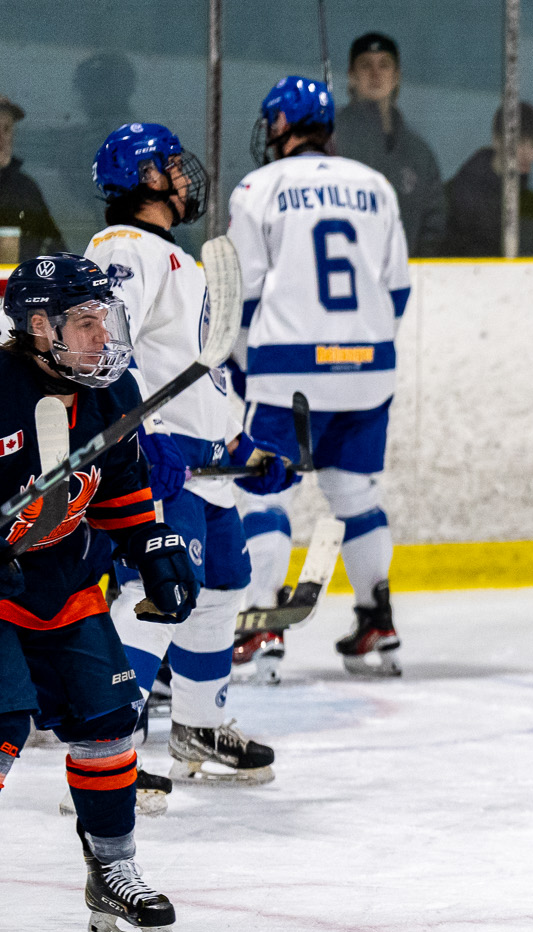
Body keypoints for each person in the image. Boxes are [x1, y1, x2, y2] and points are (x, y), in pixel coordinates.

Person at [0, 254, 197, 932]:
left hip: (63, 583)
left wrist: (151, 540)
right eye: (86, 323)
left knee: (111, 720)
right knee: (2, 722)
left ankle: (112, 873)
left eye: (103, 320)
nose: (102, 336)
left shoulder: (111, 392)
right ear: (37, 326)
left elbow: (117, 487)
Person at [88, 122, 277, 794]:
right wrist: (141, 435)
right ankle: (106, 746)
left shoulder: (178, 258)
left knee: (222, 585)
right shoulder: (122, 248)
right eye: (172, 166)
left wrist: (242, 440)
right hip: (159, 456)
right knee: (155, 592)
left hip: (202, 460)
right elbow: (107, 347)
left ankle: (198, 726)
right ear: (145, 177)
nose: (184, 176)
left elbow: (202, 370)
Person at [230, 76, 411, 679]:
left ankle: (261, 626)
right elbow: (398, 289)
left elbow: (243, 295)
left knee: (264, 490)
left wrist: (242, 366)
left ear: (283, 124)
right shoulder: (376, 185)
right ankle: (377, 620)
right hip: (369, 368)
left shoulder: (258, 187)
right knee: (355, 493)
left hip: (287, 371)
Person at [332, 33, 446, 257]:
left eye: (384, 65)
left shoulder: (419, 155)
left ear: (396, 77)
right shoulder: (328, 137)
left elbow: (433, 226)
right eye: (366, 65)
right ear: (351, 76)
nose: (375, 74)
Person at [444, 102, 533, 258]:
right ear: (497, 140)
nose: (529, 155)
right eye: (520, 142)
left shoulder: (531, 205)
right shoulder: (456, 195)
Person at [0, 96, 65, 258]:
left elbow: (54, 250)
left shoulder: (25, 189)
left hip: (19, 283)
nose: (1, 139)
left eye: (7, 129)